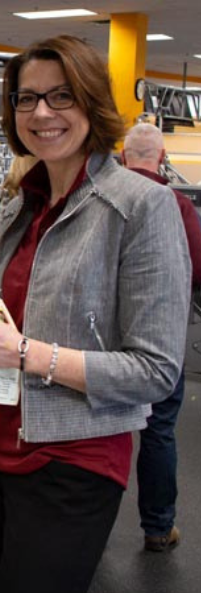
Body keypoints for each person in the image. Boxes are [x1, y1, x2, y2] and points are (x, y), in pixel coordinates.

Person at [0, 35, 190, 593]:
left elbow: (155, 370)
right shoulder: (23, 202)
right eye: (26, 99)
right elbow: (12, 325)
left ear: (92, 104)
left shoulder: (144, 207)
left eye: (60, 96)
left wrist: (23, 353)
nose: (41, 113)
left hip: (73, 461)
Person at [121, 122, 201, 552]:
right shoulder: (177, 206)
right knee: (158, 431)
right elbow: (198, 269)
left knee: (96, 433)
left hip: (102, 341)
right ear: (163, 155)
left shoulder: (101, 197)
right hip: (158, 342)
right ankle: (157, 527)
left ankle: (83, 530)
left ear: (122, 156)